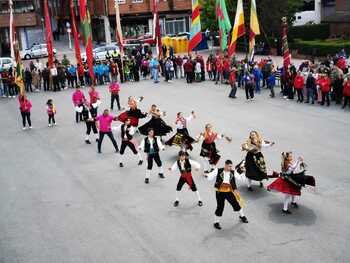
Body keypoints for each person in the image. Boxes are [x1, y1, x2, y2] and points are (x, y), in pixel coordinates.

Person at [207, 160, 248, 230]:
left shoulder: (233, 172)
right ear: (225, 165)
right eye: (229, 166)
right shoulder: (218, 170)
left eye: (231, 166)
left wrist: (244, 173)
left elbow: (241, 179)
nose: (231, 168)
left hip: (229, 191)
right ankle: (216, 222)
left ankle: (242, 216)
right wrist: (208, 175)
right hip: (220, 192)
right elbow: (209, 178)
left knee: (236, 204)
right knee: (220, 207)